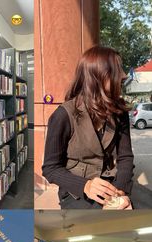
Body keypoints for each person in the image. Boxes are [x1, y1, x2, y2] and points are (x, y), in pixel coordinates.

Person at [42, 45, 134, 209]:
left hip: (114, 184)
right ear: (98, 75)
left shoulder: (120, 112)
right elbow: (51, 168)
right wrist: (85, 186)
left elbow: (125, 157)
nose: (124, 75)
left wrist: (119, 193)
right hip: (77, 191)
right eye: (117, 69)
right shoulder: (63, 115)